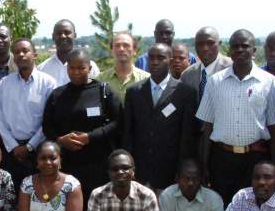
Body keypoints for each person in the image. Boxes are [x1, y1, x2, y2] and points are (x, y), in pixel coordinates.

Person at [197, 29, 275, 204]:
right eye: (235, 46)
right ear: (229, 51)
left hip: (255, 158)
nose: (240, 50)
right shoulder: (215, 82)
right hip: (221, 158)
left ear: (254, 50)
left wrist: (274, 166)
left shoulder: (270, 82)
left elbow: (274, 128)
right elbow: (207, 127)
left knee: (254, 207)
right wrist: (204, 166)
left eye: (245, 46)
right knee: (224, 206)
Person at [42, 48, 122, 195]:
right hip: (68, 164)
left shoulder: (103, 91)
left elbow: (118, 122)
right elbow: (47, 126)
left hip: (99, 163)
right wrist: (60, 140)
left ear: (90, 68)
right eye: (72, 68)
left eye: (81, 68)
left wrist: (90, 137)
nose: (76, 72)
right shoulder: (58, 95)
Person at [123, 43, 199, 191]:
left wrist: (181, 168)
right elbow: (128, 132)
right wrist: (129, 165)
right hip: (140, 168)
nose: (155, 62)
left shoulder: (185, 93)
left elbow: (187, 135)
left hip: (170, 169)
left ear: (170, 61)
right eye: (151, 58)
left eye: (161, 58)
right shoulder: (134, 91)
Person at [0, 39, 58, 185]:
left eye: (25, 51)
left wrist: (29, 146)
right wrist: (14, 146)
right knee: (11, 192)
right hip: (11, 150)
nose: (21, 55)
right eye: (16, 52)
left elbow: (49, 119)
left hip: (38, 150)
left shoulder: (48, 83)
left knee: (38, 191)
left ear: (34, 55)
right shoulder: (5, 83)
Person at [176, 27, 233, 105]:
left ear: (219, 44)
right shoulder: (187, 75)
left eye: (210, 43)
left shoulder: (233, 68)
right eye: (200, 44)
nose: (205, 48)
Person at [38, 19, 100, 85]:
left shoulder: (89, 67)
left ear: (75, 35)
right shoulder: (42, 69)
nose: (63, 36)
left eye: (67, 33)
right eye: (59, 33)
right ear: (53, 37)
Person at [96, 32, 149, 103]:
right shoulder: (100, 79)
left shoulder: (146, 79)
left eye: (126, 45)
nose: (121, 49)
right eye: (117, 45)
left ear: (134, 50)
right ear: (111, 51)